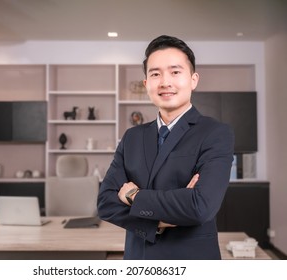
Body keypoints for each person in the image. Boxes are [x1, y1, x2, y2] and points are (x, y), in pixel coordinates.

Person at [97, 35, 234, 260]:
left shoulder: (215, 133)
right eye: (155, 74)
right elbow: (105, 204)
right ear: (146, 84)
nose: (164, 82)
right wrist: (161, 221)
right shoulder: (132, 136)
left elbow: (200, 207)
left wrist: (133, 195)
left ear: (193, 79)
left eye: (175, 72)